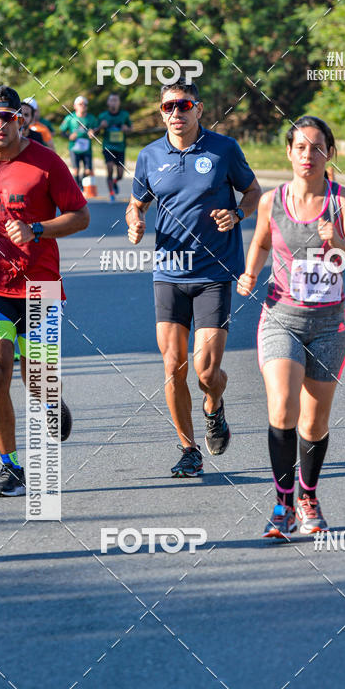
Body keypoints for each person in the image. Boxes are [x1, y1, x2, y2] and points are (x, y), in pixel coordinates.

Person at [237, 116, 345, 538]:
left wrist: (340, 244)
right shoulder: (271, 201)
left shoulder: (344, 201)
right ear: (289, 153)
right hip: (281, 316)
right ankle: (282, 504)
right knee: (282, 408)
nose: (307, 155)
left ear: (329, 153)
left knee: (313, 424)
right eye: (300, 147)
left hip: (330, 325)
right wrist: (249, 272)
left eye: (316, 147)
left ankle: (308, 496)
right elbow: (260, 242)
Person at [0, 85, 89, 497]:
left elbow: (80, 216)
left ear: (20, 119)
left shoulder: (46, 164)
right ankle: (11, 466)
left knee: (38, 379)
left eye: (6, 117)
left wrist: (37, 229)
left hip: (40, 285)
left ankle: (51, 401)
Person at [126, 80, 261, 476]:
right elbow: (137, 203)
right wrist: (135, 221)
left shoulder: (223, 149)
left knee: (205, 371)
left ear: (198, 109)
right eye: (168, 107)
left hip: (213, 273)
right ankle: (188, 449)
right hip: (168, 272)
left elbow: (253, 191)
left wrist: (237, 213)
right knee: (173, 366)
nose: (176, 113)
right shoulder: (150, 156)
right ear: (161, 111)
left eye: (183, 105)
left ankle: (214, 405)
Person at [98, 92, 131, 202]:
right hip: (108, 147)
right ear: (108, 102)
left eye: (116, 100)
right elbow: (94, 133)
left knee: (121, 174)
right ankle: (111, 193)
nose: (114, 102)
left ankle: (115, 182)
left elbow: (131, 129)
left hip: (120, 148)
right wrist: (100, 127)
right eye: (112, 100)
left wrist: (126, 129)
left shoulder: (125, 115)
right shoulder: (103, 116)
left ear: (119, 103)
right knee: (110, 169)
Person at [60, 95, 99, 189]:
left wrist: (93, 132)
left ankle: (80, 182)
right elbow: (62, 132)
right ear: (75, 106)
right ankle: (77, 186)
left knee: (88, 170)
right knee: (76, 170)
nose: (83, 106)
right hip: (74, 148)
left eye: (85, 104)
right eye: (80, 104)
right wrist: (69, 136)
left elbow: (97, 130)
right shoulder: (70, 118)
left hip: (87, 149)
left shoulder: (91, 118)